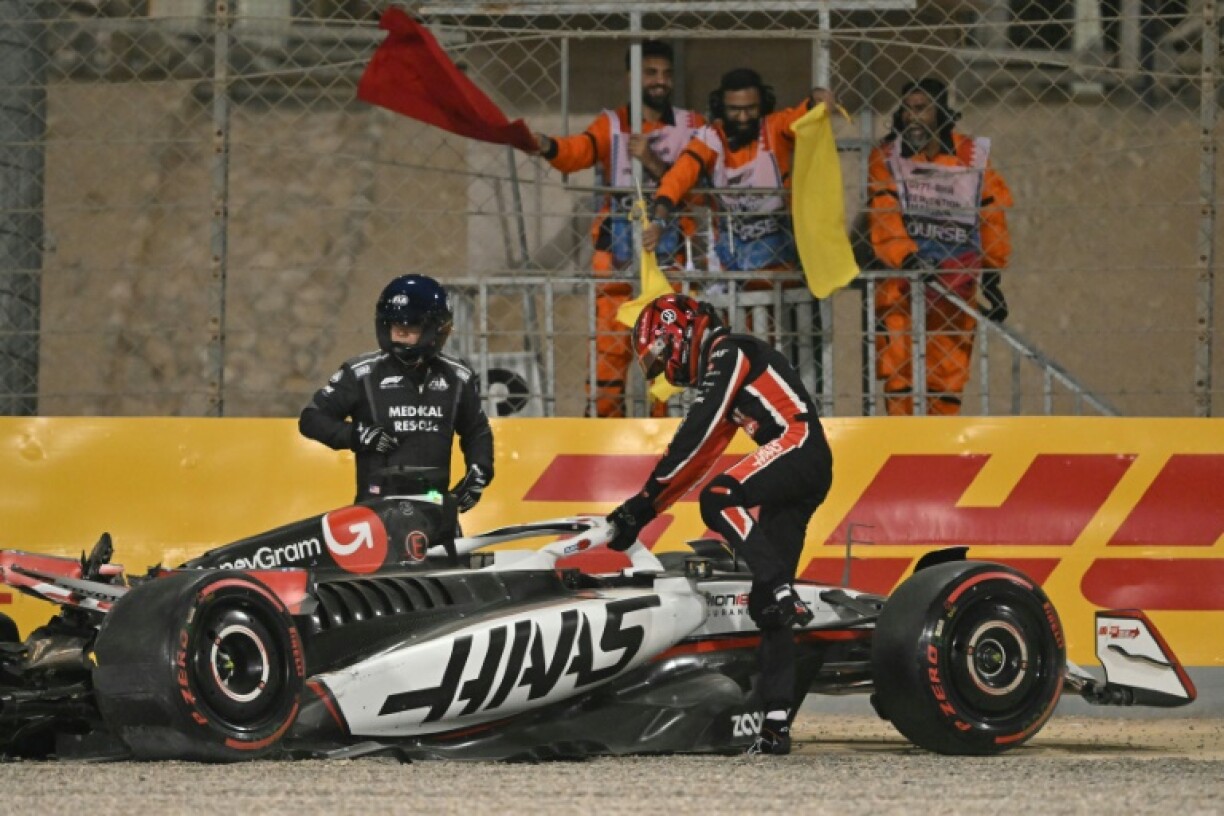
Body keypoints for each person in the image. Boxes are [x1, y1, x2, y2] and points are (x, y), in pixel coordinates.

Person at [604, 292, 834, 756]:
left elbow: (696, 436)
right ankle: (775, 723)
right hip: (802, 461)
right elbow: (702, 456)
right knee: (769, 605)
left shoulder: (730, 352)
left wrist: (642, 503)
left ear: (682, 333)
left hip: (800, 444)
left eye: (664, 354)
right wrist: (647, 509)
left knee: (721, 498)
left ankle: (779, 585)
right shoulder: (728, 363)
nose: (667, 370)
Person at [527, 40, 704, 418]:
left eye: (667, 73)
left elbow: (701, 189)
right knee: (608, 356)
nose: (661, 81)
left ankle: (668, 443)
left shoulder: (693, 126)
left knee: (668, 356)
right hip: (616, 253)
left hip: (670, 255)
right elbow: (577, 151)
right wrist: (545, 145)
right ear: (632, 77)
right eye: (651, 73)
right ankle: (606, 440)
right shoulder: (611, 124)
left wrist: (652, 162)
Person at [867, 78, 1013, 416]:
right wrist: (907, 257)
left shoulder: (970, 155)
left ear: (941, 112)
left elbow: (991, 214)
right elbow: (883, 212)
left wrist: (991, 274)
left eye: (921, 109)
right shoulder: (887, 156)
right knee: (898, 368)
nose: (912, 118)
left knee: (947, 373)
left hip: (955, 279)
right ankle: (900, 447)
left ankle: (938, 447)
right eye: (906, 110)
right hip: (902, 282)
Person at [299, 274, 494, 508]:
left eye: (411, 325)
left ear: (437, 329)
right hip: (376, 509)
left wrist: (479, 473)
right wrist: (357, 435)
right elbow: (312, 418)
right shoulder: (362, 373)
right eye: (394, 324)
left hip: (435, 505)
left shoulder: (458, 377)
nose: (400, 332)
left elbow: (477, 430)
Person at [643, 68, 836, 282]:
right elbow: (679, 175)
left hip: (778, 258)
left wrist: (814, 101)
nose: (743, 117)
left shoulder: (773, 128)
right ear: (720, 107)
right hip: (729, 257)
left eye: (751, 109)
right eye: (734, 110)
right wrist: (658, 221)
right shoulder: (711, 137)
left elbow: (798, 118)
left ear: (762, 105)